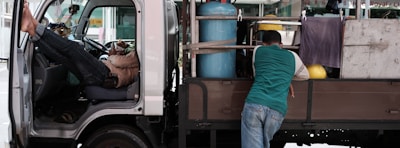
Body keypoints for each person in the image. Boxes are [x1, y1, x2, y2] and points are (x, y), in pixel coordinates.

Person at [21, 1, 139, 88]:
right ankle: (32, 31)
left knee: (73, 48)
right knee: (63, 58)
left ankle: (35, 26)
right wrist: (116, 54)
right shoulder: (139, 53)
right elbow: (122, 64)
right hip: (105, 75)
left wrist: (111, 57)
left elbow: (118, 62)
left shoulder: (140, 55)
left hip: (106, 75)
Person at [241, 30, 309, 148]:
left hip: (255, 103)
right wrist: (287, 80)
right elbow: (306, 75)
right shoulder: (293, 56)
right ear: (281, 44)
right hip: (277, 110)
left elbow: (257, 74)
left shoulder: (258, 50)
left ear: (264, 43)